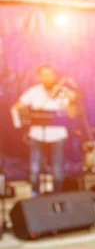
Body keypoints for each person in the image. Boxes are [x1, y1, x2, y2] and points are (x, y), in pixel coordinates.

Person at [11, 65, 77, 195]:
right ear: (39, 77)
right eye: (44, 75)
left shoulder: (62, 91)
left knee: (57, 169)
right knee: (35, 169)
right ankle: (35, 195)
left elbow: (72, 114)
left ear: (54, 76)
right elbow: (17, 107)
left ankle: (57, 195)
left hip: (57, 135)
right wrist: (22, 120)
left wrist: (71, 101)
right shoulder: (33, 91)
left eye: (50, 75)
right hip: (37, 134)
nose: (47, 78)